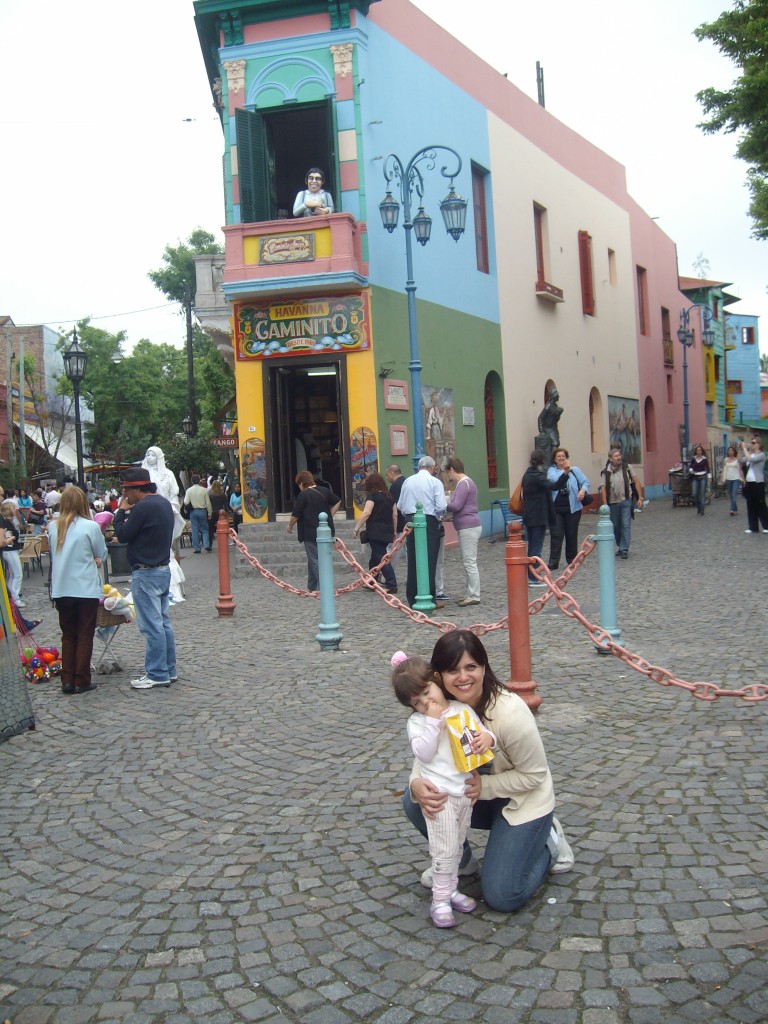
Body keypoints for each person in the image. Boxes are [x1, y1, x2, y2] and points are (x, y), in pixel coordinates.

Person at [403, 630, 574, 913]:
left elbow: (535, 776)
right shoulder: (435, 706)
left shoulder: (510, 713)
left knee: (502, 896)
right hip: (472, 795)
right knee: (415, 801)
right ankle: (460, 861)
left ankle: (549, 843)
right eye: (452, 670)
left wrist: (485, 787)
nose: (463, 677)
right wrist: (415, 783)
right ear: (438, 676)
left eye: (471, 667)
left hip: (522, 800)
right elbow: (427, 756)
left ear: (484, 667)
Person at [391, 650, 495, 928]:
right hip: (440, 797)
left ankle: (451, 890)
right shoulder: (418, 723)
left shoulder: (461, 710)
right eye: (418, 702)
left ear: (436, 681)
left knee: (458, 844)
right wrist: (433, 722)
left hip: (464, 793)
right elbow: (423, 754)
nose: (427, 702)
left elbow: (482, 731)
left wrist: (487, 738)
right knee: (443, 850)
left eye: (427, 692)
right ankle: (439, 899)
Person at [112, 468, 177, 690]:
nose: (125, 496)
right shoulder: (163, 503)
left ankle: (157, 673)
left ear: (136, 488)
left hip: (146, 571)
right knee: (164, 623)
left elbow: (122, 535)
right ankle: (169, 669)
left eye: (126, 490)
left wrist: (120, 512)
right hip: (162, 569)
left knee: (152, 626)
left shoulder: (142, 507)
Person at [48, 487, 108, 696]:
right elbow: (101, 552)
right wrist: (97, 558)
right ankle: (81, 679)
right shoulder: (90, 527)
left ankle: (67, 678)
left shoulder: (54, 527)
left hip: (62, 588)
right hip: (84, 588)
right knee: (84, 634)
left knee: (68, 635)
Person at [396, 456, 447, 608]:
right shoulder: (435, 482)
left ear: (419, 467)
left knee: (413, 559)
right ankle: (429, 597)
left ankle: (412, 597)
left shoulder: (408, 481)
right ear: (432, 468)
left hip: (410, 521)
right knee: (429, 560)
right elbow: (441, 506)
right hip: (428, 521)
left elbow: (400, 505)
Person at [287, 470, 341, 592]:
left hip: (310, 532)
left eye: (298, 485)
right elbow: (338, 501)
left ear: (302, 483)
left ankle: (325, 586)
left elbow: (296, 514)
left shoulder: (304, 495)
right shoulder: (324, 490)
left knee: (315, 559)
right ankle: (312, 585)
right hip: (327, 531)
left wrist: (289, 526)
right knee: (316, 558)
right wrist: (330, 515)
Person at [446, 457, 482, 605]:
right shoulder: (468, 482)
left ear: (452, 470)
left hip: (468, 526)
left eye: (448, 474)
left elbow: (456, 506)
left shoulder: (463, 483)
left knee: (469, 562)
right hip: (469, 525)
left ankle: (474, 595)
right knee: (468, 561)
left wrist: (445, 502)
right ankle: (470, 592)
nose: (449, 478)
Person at [352, 473, 397, 593]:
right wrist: (394, 531)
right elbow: (395, 515)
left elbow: (366, 513)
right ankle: (372, 581)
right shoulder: (389, 497)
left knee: (381, 557)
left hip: (375, 531)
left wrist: (356, 528)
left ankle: (392, 583)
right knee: (374, 558)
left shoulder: (372, 496)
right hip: (387, 530)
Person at [546, 447, 590, 570]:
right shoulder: (551, 471)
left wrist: (582, 490)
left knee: (571, 534)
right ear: (554, 459)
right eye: (558, 456)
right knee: (557, 535)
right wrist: (565, 471)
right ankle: (553, 562)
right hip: (557, 508)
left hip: (573, 507)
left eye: (563, 456)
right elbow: (554, 481)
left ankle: (572, 560)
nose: (561, 458)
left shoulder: (575, 470)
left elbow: (586, 482)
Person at [600, 447, 644, 559]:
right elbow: (603, 488)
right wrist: (605, 504)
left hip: (626, 500)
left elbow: (636, 481)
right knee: (615, 526)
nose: (619, 457)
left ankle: (624, 549)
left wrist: (640, 497)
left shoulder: (627, 468)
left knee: (625, 524)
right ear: (610, 459)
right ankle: (620, 544)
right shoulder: (606, 472)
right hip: (612, 503)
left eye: (619, 455)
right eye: (616, 456)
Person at [521, 450, 554, 586]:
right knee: (536, 548)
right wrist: (565, 475)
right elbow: (553, 486)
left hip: (529, 516)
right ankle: (533, 577)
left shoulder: (527, 475)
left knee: (532, 547)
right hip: (538, 516)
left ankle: (530, 575)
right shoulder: (537, 477)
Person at [738, 437, 768, 533]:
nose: (752, 444)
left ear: (759, 444)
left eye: (754, 442)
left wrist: (745, 448)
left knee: (760, 504)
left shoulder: (762, 455)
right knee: (750, 504)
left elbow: (751, 459)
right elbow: (740, 460)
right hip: (749, 483)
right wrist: (740, 449)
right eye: (751, 442)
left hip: (758, 482)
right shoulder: (749, 454)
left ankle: (766, 526)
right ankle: (753, 527)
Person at [0, 500, 24, 607]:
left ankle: (11, 596)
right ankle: (15, 598)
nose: (15, 510)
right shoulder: (5, 523)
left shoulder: (8, 522)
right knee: (18, 574)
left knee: (13, 575)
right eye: (13, 508)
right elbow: (6, 538)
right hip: (10, 551)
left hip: (11, 551)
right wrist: (13, 537)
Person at [182, 474, 213, 553]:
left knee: (195, 529)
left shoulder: (189, 490)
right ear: (199, 481)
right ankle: (206, 545)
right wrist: (209, 513)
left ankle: (197, 548)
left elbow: (186, 502)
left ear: (192, 481)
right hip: (202, 511)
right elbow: (208, 502)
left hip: (193, 511)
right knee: (204, 529)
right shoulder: (203, 490)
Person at [537, 388, 563, 464]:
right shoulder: (548, 406)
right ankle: (553, 461)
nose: (559, 396)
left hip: (553, 427)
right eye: (557, 394)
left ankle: (554, 460)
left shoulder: (554, 405)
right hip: (548, 428)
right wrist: (541, 431)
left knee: (556, 443)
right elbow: (540, 418)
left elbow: (554, 418)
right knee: (555, 443)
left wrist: (558, 413)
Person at [721, 445, 744, 516]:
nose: (730, 452)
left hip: (736, 478)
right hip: (728, 478)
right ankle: (735, 509)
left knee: (734, 494)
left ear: (734, 452)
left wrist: (743, 479)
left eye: (732, 451)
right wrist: (722, 479)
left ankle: (732, 509)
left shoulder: (737, 459)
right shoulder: (725, 459)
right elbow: (724, 470)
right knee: (731, 495)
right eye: (729, 451)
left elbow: (740, 470)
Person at [689, 444, 709, 516]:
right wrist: (691, 470)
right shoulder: (693, 459)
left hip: (703, 476)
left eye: (700, 450)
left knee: (702, 493)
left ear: (702, 451)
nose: (699, 451)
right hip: (695, 477)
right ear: (696, 451)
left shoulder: (704, 459)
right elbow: (690, 467)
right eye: (697, 450)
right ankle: (699, 506)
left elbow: (708, 468)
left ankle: (702, 509)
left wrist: (709, 477)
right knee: (695, 494)